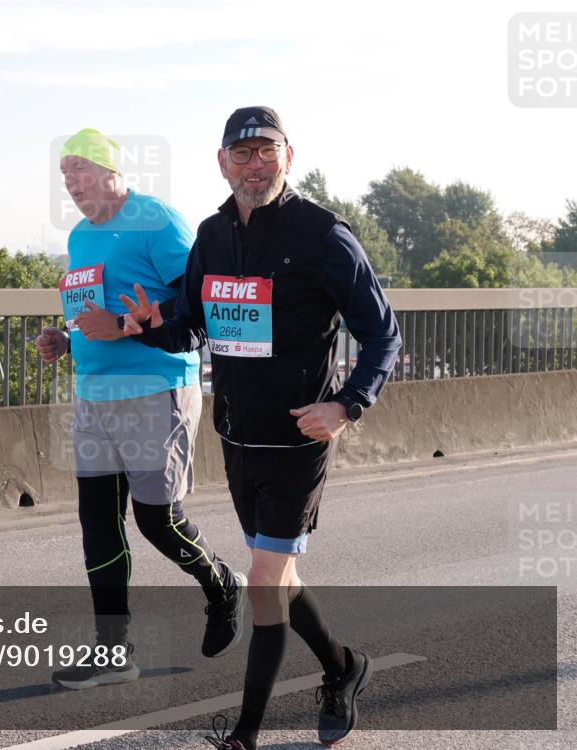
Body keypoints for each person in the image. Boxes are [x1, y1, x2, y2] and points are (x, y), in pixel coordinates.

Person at [119, 107, 401, 748]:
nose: (253, 165)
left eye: (265, 152)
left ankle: (244, 736)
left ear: (288, 156)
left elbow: (382, 333)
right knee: (280, 579)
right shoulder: (214, 236)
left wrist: (347, 404)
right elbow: (192, 323)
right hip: (237, 437)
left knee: (265, 582)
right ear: (222, 163)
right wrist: (150, 325)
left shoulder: (323, 235)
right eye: (241, 154)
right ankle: (343, 667)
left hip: (300, 439)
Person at [37, 128, 246, 690]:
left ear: (111, 170)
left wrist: (127, 325)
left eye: (80, 168)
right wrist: (66, 336)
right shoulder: (80, 237)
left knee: (157, 519)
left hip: (156, 389)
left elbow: (198, 302)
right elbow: (94, 312)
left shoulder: (158, 220)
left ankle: (222, 584)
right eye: (64, 173)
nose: (70, 181)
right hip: (93, 395)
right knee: (97, 523)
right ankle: (113, 652)